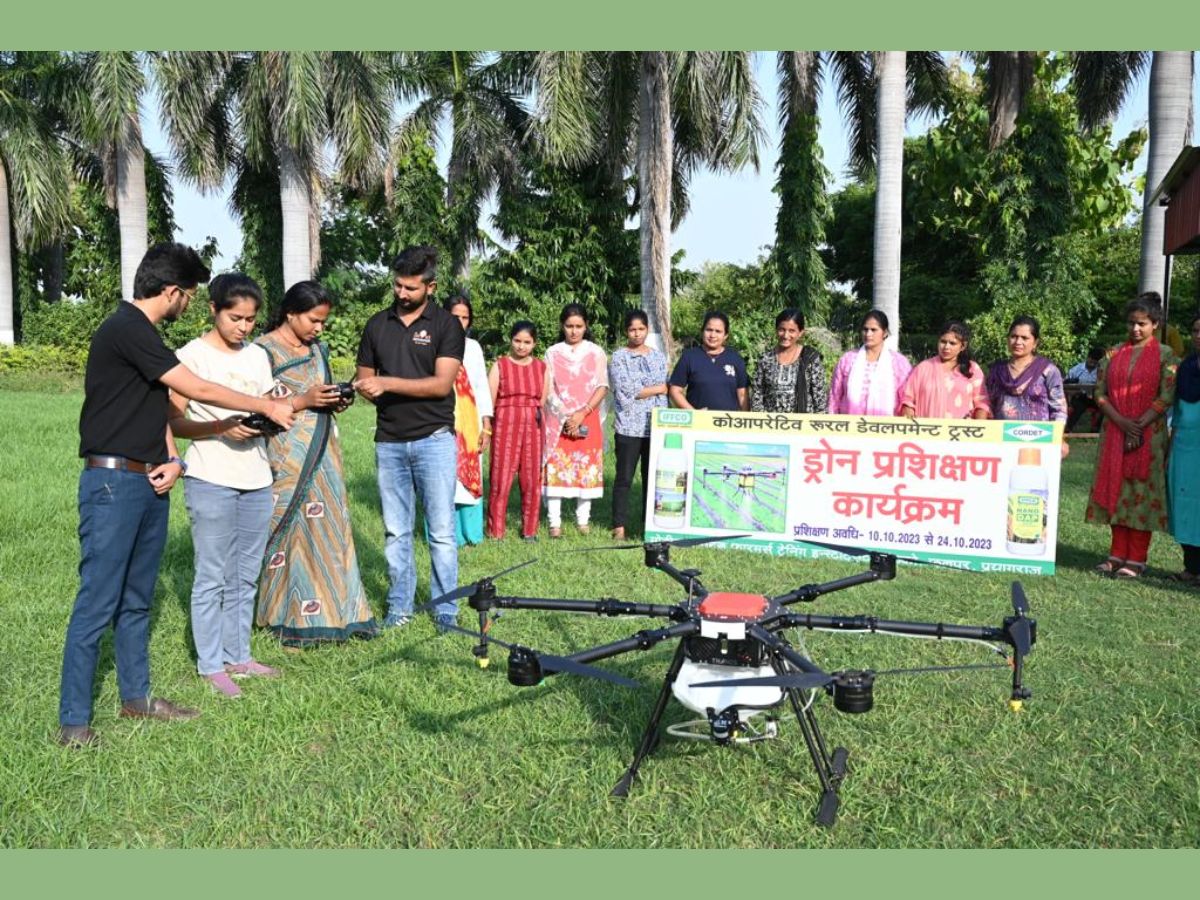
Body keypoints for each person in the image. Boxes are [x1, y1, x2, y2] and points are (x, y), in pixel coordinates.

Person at [58, 243, 294, 748]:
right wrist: (262, 405)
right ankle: (74, 722)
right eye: (186, 295)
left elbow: (158, 412)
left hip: (149, 479)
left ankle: (136, 698)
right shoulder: (126, 329)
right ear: (171, 292)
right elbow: (196, 388)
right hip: (112, 484)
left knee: (137, 599)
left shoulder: (145, 336)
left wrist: (173, 460)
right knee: (97, 601)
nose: (186, 303)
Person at [168, 274, 279, 698]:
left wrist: (263, 424)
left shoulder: (257, 357)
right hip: (210, 476)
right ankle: (211, 664)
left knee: (245, 575)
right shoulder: (189, 357)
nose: (244, 328)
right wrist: (220, 427)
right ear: (212, 309)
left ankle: (240, 655)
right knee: (211, 574)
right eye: (235, 318)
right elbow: (173, 421)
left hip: (256, 477)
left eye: (251, 320)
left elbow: (270, 408)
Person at [256, 281, 376, 646]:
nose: (318, 329)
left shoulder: (318, 350)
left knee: (327, 526)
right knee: (289, 527)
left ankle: (339, 611)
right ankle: (283, 613)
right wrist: (304, 399)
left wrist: (334, 400)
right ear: (291, 312)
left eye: (323, 322)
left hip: (324, 449)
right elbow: (256, 401)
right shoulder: (262, 351)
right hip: (287, 450)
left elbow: (317, 391)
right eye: (313, 320)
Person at [356, 246, 465, 629]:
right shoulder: (377, 324)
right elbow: (364, 376)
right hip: (389, 441)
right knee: (396, 531)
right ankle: (399, 608)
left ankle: (446, 610)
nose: (402, 294)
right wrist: (365, 387)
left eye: (411, 288)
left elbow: (440, 385)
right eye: (398, 285)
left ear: (430, 287)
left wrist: (386, 383)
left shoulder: (446, 326)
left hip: (434, 440)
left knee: (440, 533)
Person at [1086, 294, 1178, 579]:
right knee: (1117, 489)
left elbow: (1167, 395)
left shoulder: (1166, 356)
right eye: (1131, 323)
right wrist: (1122, 421)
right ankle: (1116, 554)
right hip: (1115, 430)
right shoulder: (1113, 355)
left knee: (1140, 494)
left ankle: (1136, 558)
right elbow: (1099, 392)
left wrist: (1138, 425)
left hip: (1149, 434)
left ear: (1155, 324)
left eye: (1142, 324)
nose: (1135, 329)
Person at [543, 303, 609, 538]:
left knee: (585, 470)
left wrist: (582, 412)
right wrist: (564, 415)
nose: (574, 331)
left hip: (587, 418)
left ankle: (583, 521)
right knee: (556, 469)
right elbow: (548, 388)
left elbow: (602, 386)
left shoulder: (596, 352)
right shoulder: (552, 352)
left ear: (586, 326)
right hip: (558, 421)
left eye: (579, 326)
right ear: (562, 326)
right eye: (569, 326)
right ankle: (554, 523)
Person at [608, 309, 669, 540]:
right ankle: (619, 526)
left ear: (647, 330)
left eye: (641, 329)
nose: (636, 334)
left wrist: (650, 392)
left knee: (651, 477)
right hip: (628, 426)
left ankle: (648, 524)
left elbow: (664, 392)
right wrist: (655, 388)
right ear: (626, 331)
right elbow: (625, 392)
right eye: (632, 329)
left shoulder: (658, 357)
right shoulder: (619, 357)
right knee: (624, 477)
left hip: (655, 424)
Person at [487, 321, 547, 541]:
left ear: (534, 343)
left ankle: (530, 530)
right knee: (500, 478)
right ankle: (495, 531)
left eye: (527, 342)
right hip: (505, 424)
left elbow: (542, 399)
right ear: (510, 340)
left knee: (531, 479)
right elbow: (490, 400)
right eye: (517, 341)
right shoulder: (500, 365)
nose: (522, 346)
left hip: (533, 425)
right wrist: (487, 428)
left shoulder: (541, 367)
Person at [442, 295, 493, 547]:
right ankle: (446, 533)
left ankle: (471, 534)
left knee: (472, 473)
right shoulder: (434, 342)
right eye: (455, 316)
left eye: (465, 317)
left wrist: (486, 425)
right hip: (442, 417)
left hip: (471, 419)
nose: (460, 321)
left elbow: (481, 386)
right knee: (445, 476)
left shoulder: (473, 347)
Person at [985, 315, 1069, 456]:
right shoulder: (996, 371)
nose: (1018, 342)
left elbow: (1059, 409)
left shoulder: (1047, 370)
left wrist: (1058, 438)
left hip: (1038, 441)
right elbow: (988, 406)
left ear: (1035, 342)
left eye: (1025, 338)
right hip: (1001, 441)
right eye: (1014, 336)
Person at [899, 320, 990, 420]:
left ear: (963, 346)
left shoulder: (972, 369)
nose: (946, 347)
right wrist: (908, 413)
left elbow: (982, 403)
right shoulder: (923, 368)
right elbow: (907, 399)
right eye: (943, 342)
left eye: (952, 343)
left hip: (962, 432)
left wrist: (980, 427)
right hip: (928, 431)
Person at [827, 309, 912, 416]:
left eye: (873, 330)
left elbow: (907, 397)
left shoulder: (899, 363)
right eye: (865, 329)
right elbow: (835, 396)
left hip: (886, 428)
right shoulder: (847, 360)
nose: (868, 334)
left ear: (885, 333)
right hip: (850, 427)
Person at [1169, 314, 1200, 585]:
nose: (1199, 336)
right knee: (1186, 505)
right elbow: (1176, 410)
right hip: (1185, 447)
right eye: (1196, 330)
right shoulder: (1187, 367)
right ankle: (1192, 568)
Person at [750, 308, 827, 414]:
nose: (786, 335)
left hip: (803, 426)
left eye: (792, 331)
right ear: (776, 330)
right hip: (770, 425)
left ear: (800, 333)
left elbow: (820, 401)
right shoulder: (766, 359)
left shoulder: (810, 359)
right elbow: (757, 396)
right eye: (782, 329)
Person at [668, 311, 749, 412]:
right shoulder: (689, 357)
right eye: (709, 330)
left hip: (728, 423)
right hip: (698, 424)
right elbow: (675, 390)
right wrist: (694, 413)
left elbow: (742, 395)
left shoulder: (735, 358)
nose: (712, 335)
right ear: (702, 331)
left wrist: (743, 421)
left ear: (725, 335)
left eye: (718, 331)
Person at [1065, 346, 1104, 433]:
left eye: (1095, 362)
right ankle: (1068, 428)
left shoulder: (1100, 371)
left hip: (1095, 398)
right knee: (1078, 405)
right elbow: (1065, 386)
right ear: (1088, 357)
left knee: (1104, 405)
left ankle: (1095, 429)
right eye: (1091, 360)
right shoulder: (1076, 370)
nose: (1093, 363)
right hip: (1079, 397)